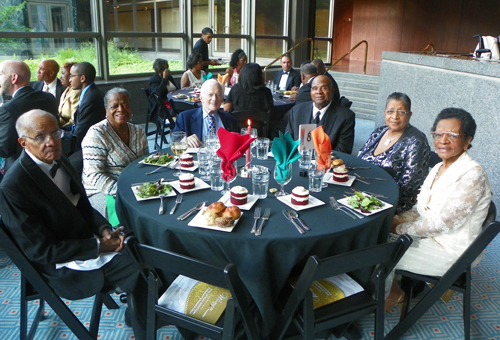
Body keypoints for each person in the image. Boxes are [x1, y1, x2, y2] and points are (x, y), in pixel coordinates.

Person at [0, 109, 147, 339]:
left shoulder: (60, 158)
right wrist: (98, 247)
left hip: (84, 238)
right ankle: (145, 327)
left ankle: (142, 311)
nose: (51, 142)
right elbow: (42, 251)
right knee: (139, 268)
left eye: (55, 133)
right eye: (40, 137)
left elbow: (83, 207)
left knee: (141, 240)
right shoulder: (14, 186)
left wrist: (103, 229)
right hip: (62, 266)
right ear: (23, 142)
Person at [385, 108, 492, 309]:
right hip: (429, 236)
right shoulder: (438, 167)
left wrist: (397, 229)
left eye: (452, 135)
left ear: (468, 140)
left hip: (450, 251)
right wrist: (397, 219)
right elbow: (420, 208)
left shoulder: (472, 174)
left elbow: (442, 224)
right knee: (375, 237)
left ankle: (393, 294)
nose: (443, 140)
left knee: (379, 250)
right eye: (438, 134)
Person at [358, 92, 430, 214]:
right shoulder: (379, 132)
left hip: (391, 201)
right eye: (390, 111)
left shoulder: (416, 140)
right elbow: (360, 159)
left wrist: (371, 198)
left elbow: (409, 185)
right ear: (384, 113)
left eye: (401, 112)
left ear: (409, 115)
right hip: (361, 191)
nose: (395, 116)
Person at [82, 88, 149, 216]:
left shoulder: (138, 131)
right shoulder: (96, 134)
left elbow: (145, 163)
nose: (121, 109)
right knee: (128, 213)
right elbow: (94, 175)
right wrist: (124, 192)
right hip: (102, 190)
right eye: (114, 106)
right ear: (106, 110)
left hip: (134, 186)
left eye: (125, 105)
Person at [0, 60, 58, 175]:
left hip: (19, 171)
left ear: (14, 78)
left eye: (1, 74)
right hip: (50, 164)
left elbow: (4, 150)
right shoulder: (49, 98)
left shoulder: (8, 109)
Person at [285, 75, 355, 153]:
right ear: (310, 91)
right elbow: (288, 142)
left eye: (324, 88)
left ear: (332, 90)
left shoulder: (346, 116)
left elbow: (343, 151)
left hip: (327, 163)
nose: (319, 92)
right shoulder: (297, 111)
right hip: (298, 161)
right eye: (315, 88)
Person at [173, 79, 238, 148]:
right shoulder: (185, 118)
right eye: (210, 95)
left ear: (222, 99)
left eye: (218, 95)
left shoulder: (231, 120)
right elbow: (175, 141)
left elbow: (238, 144)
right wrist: (184, 141)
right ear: (201, 98)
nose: (214, 99)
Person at [63, 62, 106, 151]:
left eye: (71, 76)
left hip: (91, 147)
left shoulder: (92, 98)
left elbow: (80, 132)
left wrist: (61, 134)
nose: (69, 79)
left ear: (82, 78)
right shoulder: (87, 93)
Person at [58, 62, 81, 127]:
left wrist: (60, 129)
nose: (60, 77)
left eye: (63, 73)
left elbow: (74, 120)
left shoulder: (76, 92)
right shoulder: (67, 89)